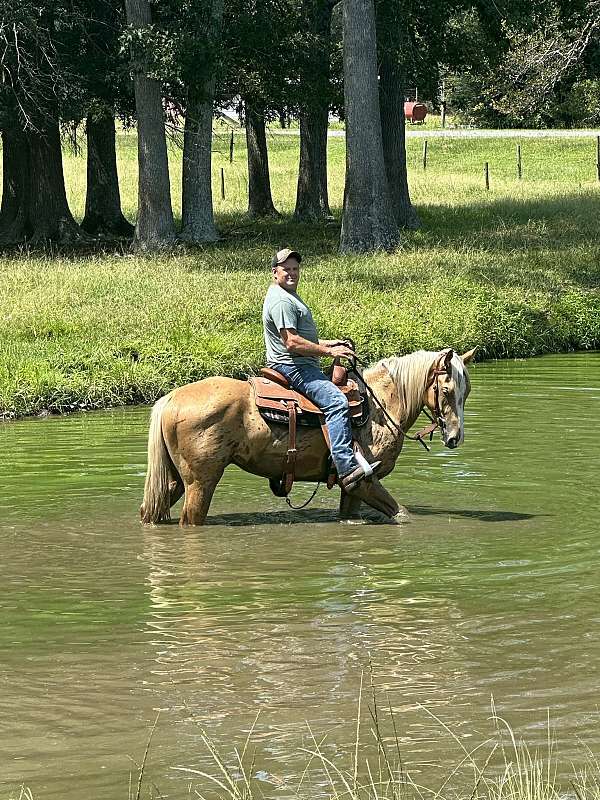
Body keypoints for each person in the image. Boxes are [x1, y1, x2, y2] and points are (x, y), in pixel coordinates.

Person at [262, 247, 380, 492]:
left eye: (295, 268)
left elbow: (304, 338)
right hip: (294, 366)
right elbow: (292, 342)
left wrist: (332, 344)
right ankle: (346, 466)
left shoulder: (287, 295)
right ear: (275, 272)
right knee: (337, 401)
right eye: (286, 269)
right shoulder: (282, 300)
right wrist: (329, 352)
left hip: (298, 361)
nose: (292, 273)